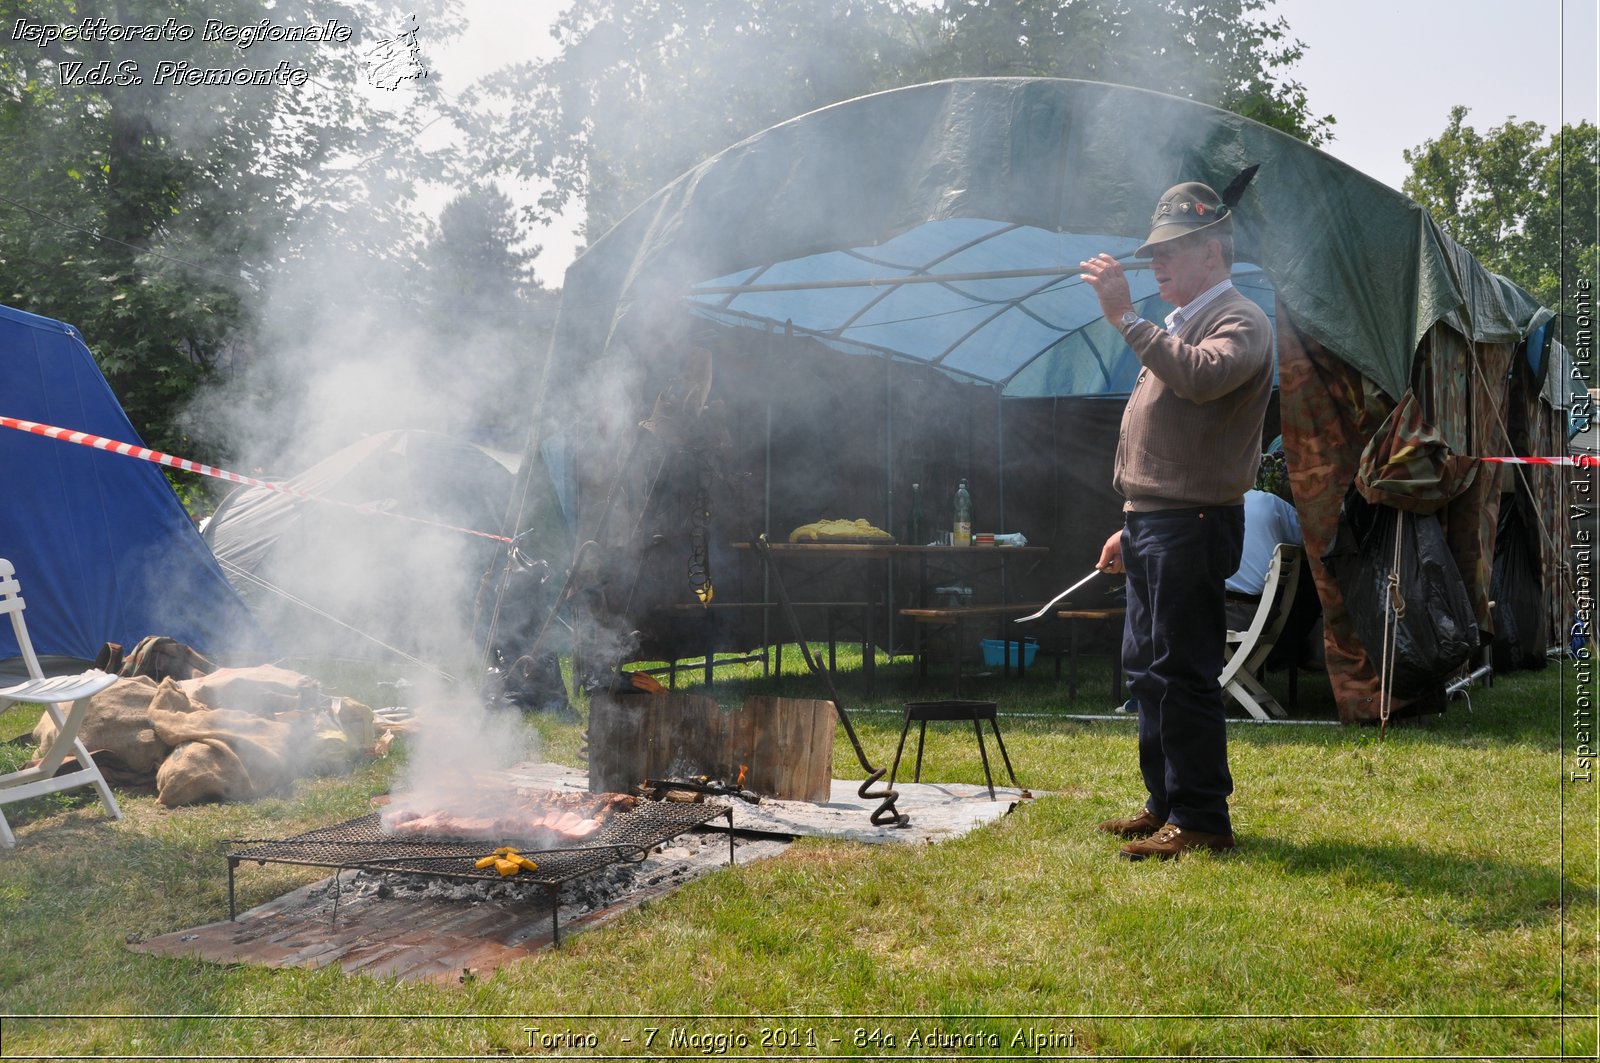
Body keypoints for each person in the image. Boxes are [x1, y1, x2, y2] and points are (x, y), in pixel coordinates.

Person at [1078, 179, 1274, 861]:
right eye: (1153, 253)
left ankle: (1202, 817)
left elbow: (1197, 378)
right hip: (1157, 522)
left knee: (1183, 669)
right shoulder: (1185, 320)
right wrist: (1130, 518)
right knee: (1147, 668)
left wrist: (1126, 318)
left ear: (1213, 254)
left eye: (1170, 252)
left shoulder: (1241, 321)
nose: (1156, 264)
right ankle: (1165, 801)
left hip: (1192, 523)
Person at [1225, 487, 1303, 630]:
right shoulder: (1269, 503)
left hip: (1221, 613)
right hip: (1257, 613)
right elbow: (1308, 541)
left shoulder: (1206, 505)